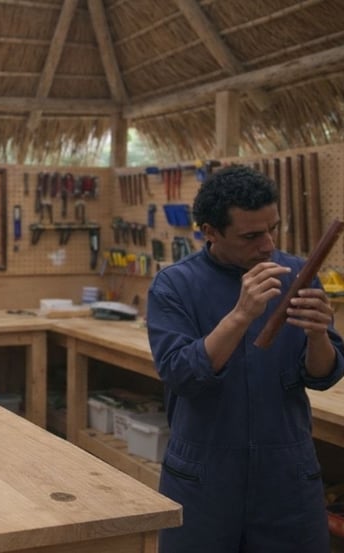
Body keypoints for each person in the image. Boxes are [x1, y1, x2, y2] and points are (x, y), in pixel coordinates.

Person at [146, 165, 344, 552]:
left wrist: (318, 335)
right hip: (205, 477)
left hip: (286, 477)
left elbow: (322, 376)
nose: (267, 245)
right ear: (210, 232)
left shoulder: (297, 275)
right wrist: (240, 316)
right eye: (251, 236)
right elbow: (180, 373)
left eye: (273, 229)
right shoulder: (175, 284)